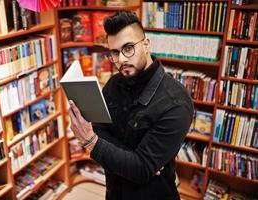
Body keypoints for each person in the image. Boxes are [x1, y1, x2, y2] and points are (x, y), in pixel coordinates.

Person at [68, 11, 194, 200]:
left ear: (146, 44)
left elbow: (141, 170)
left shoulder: (176, 103)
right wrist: (135, 160)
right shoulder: (114, 83)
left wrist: (92, 143)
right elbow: (99, 129)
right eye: (115, 52)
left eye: (128, 48)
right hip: (113, 191)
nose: (121, 59)